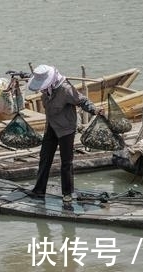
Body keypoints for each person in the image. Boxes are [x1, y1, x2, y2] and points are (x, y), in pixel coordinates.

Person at [26, 64, 103, 203]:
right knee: (44, 157)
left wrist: (95, 110)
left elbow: (83, 100)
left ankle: (67, 193)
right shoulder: (47, 89)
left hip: (66, 129)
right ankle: (39, 190)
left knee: (66, 162)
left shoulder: (66, 89)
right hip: (51, 126)